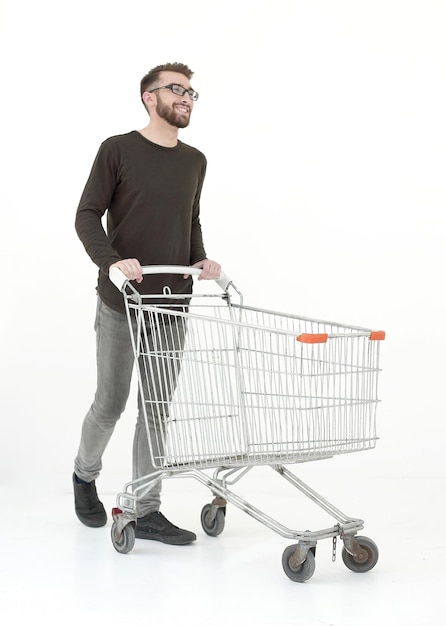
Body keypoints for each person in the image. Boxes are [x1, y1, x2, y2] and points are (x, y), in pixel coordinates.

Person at [73, 62, 221, 545]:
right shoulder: (117, 150)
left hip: (172, 304)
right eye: (177, 89)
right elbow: (87, 214)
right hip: (122, 302)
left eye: (192, 92)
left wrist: (200, 261)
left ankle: (146, 508)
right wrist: (112, 262)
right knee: (110, 404)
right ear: (148, 97)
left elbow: (190, 220)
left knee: (157, 408)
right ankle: (84, 473)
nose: (186, 98)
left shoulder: (194, 160)